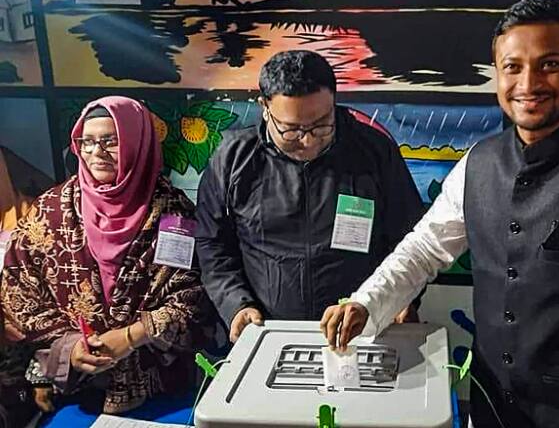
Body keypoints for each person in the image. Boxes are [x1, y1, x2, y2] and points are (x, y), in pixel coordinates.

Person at [321, 0, 559, 427]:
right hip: (490, 403)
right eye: (513, 67)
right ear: (497, 74)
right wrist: (367, 303)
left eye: (550, 64)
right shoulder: (477, 163)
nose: (528, 82)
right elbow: (423, 250)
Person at [1, 96, 215, 415]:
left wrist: (131, 337)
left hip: (162, 386)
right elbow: (19, 294)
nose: (96, 152)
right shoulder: (51, 212)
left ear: (135, 143)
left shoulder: (172, 214)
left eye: (110, 141)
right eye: (86, 142)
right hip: (75, 390)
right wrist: (71, 348)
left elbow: (191, 297)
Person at [196, 50, 424, 343]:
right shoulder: (233, 159)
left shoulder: (374, 152)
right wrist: (236, 304)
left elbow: (409, 237)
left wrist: (404, 298)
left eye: (321, 124)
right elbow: (211, 243)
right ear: (264, 107)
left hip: (358, 328)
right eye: (291, 129)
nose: (308, 139)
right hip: (267, 331)